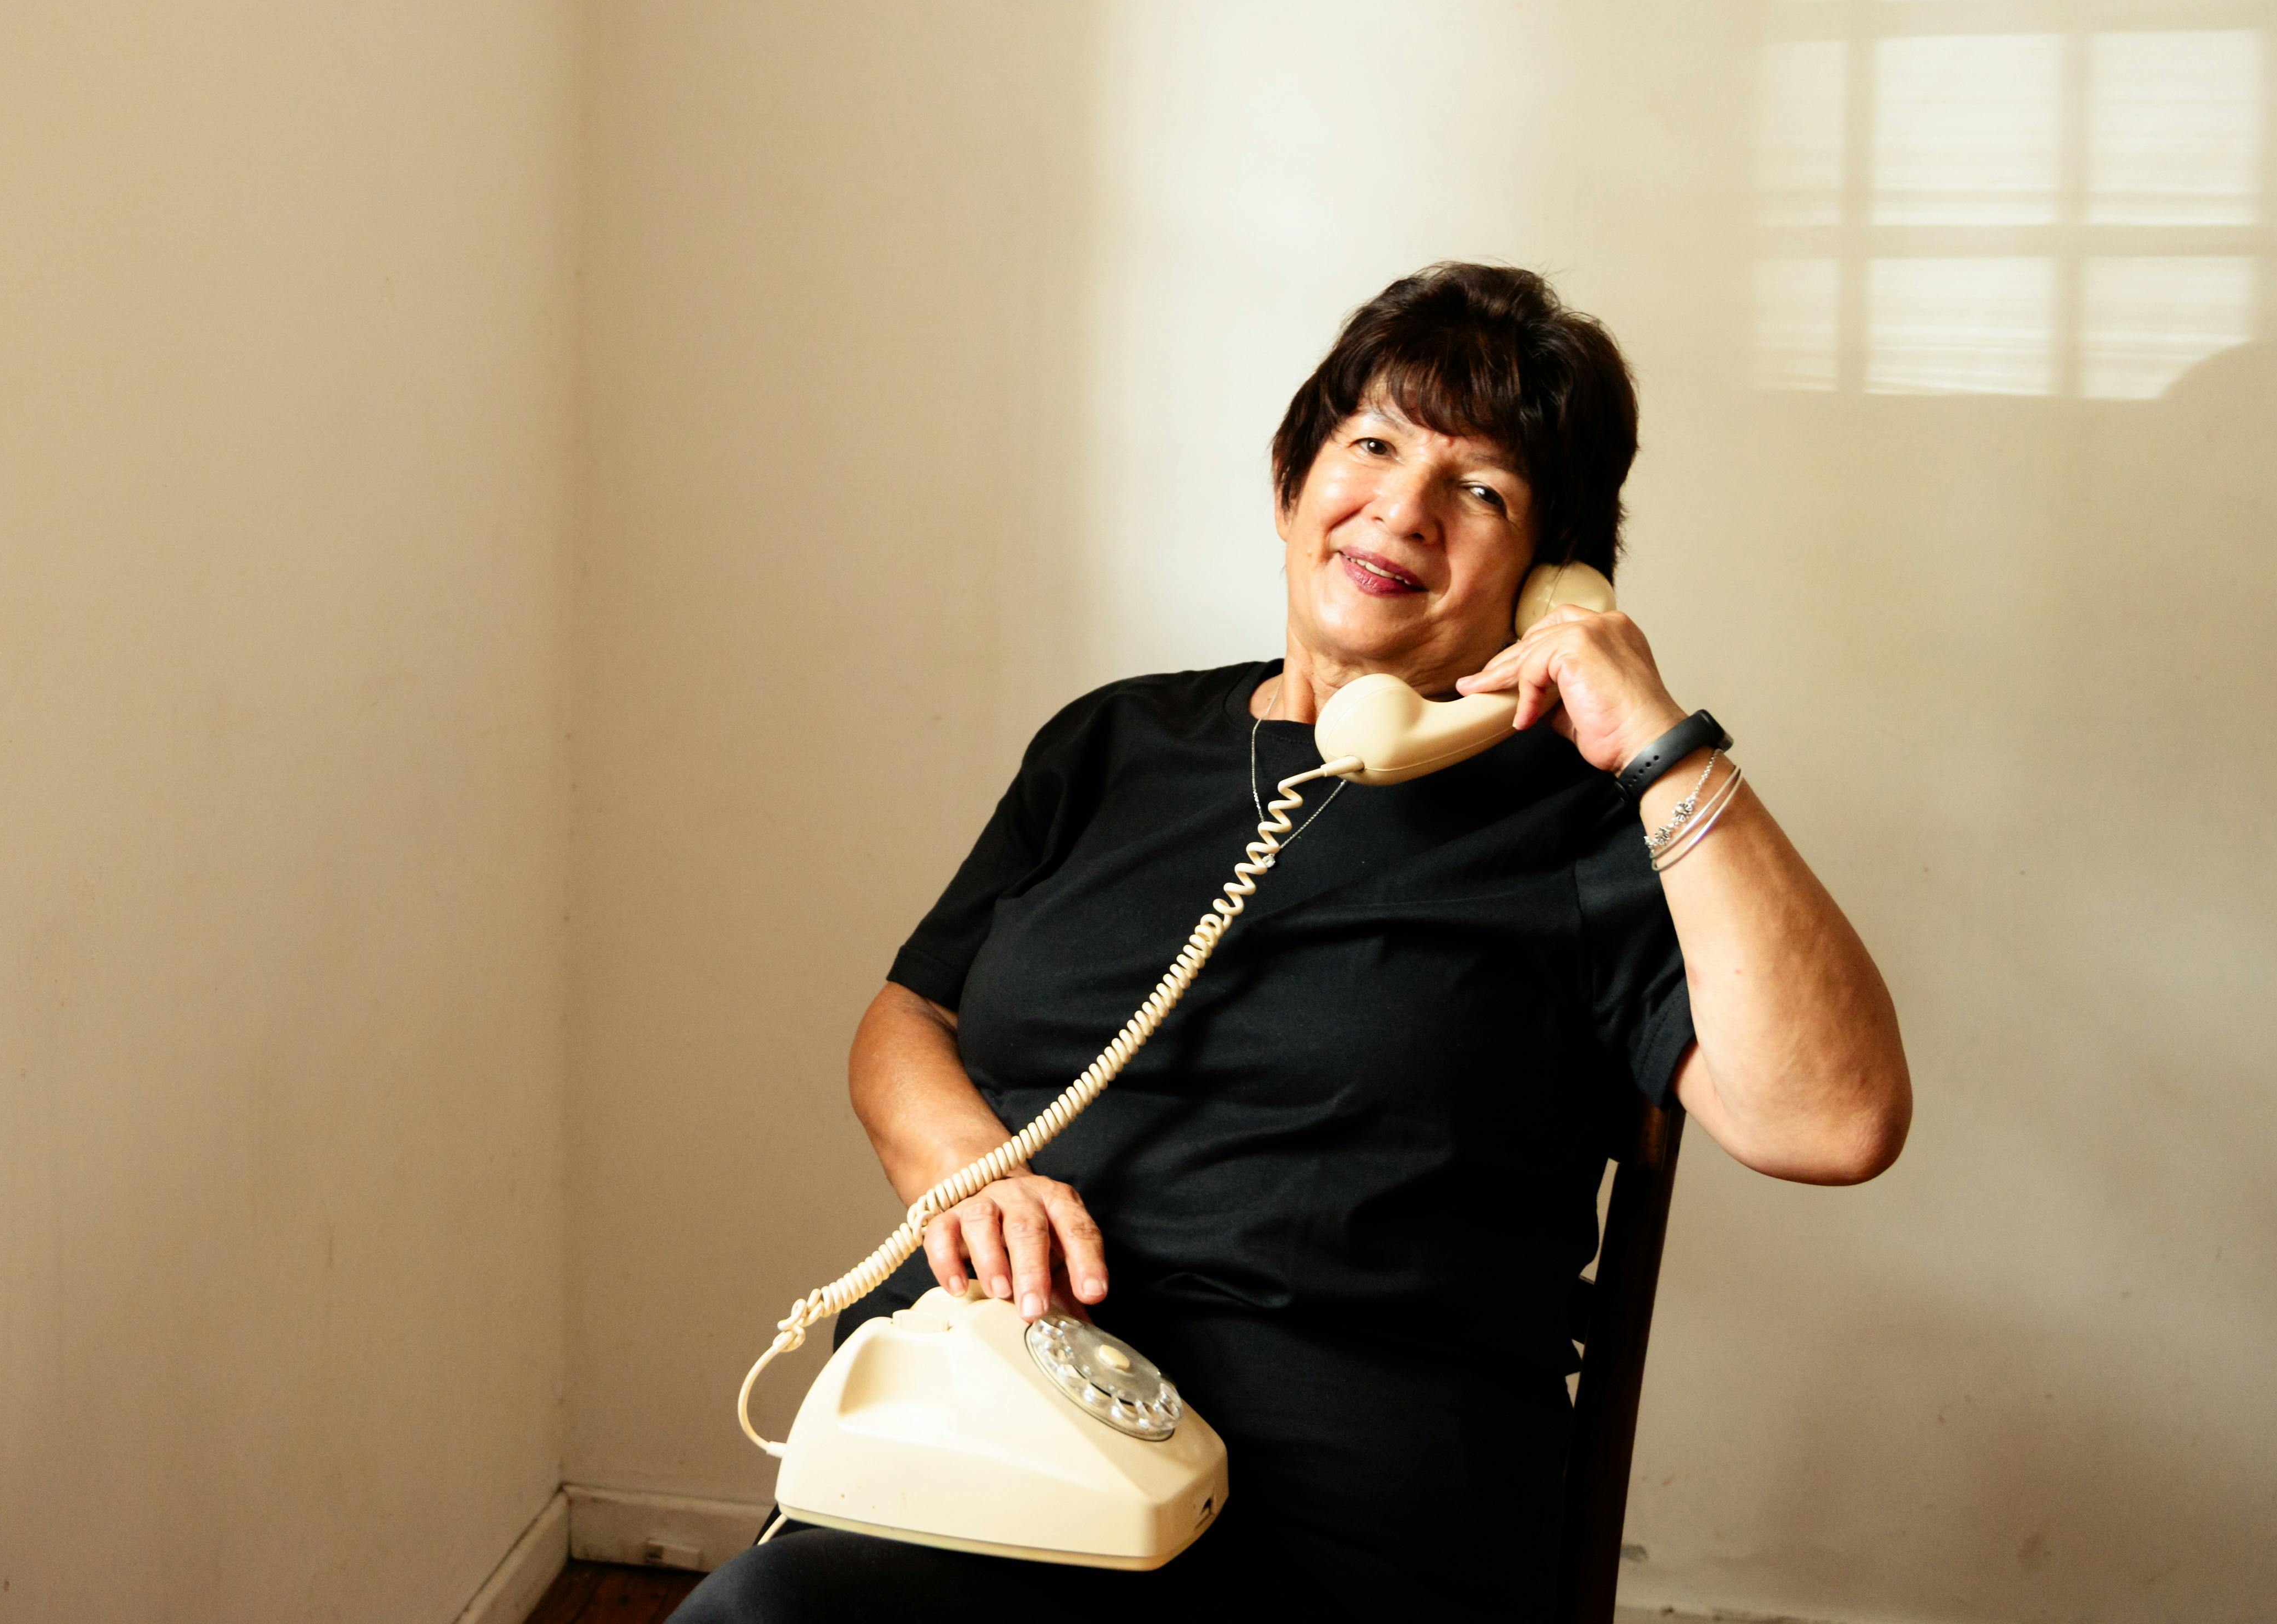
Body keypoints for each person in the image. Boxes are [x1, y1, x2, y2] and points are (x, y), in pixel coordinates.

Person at [683, 263, 1911, 1623]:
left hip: (1338, 1514)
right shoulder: (1111, 744)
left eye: (1485, 489)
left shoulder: (1591, 827)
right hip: (993, 1434)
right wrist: (963, 1170)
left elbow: (1836, 1118)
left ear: (1553, 578)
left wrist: (1661, 743)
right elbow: (910, 1014)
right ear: (1293, 479)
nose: (1404, 507)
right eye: (1373, 443)